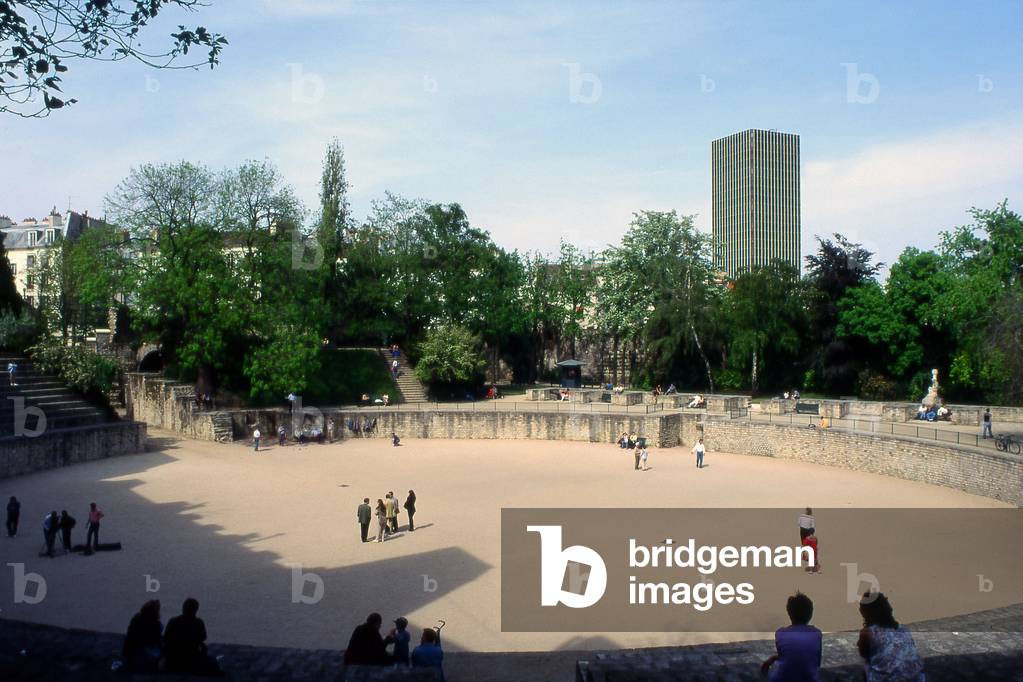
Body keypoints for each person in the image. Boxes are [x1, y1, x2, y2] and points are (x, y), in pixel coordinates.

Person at [857, 592, 925, 681]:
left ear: (865, 611)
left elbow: (863, 653)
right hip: (916, 678)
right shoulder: (903, 629)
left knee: (867, 665)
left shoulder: (868, 633)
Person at [760, 592, 822, 681]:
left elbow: (785, 657)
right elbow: (816, 663)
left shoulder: (780, 633)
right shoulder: (816, 633)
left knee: (769, 672)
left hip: (782, 679)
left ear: (789, 613)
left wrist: (772, 659)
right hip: (809, 679)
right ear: (810, 614)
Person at [163, 598, 223, 676]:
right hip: (191, 657)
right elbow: (203, 637)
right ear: (195, 610)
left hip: (174, 658)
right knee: (212, 661)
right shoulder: (198, 622)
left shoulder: (173, 621)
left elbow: (166, 638)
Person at [122, 600, 163, 673]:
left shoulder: (136, 619)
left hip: (131, 654)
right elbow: (157, 642)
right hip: (142, 656)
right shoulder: (156, 625)